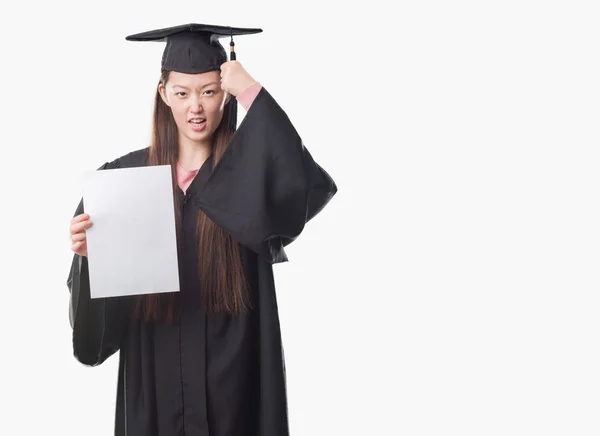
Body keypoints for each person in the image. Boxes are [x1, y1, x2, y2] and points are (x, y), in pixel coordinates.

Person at [66, 23, 337, 436]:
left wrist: (251, 91)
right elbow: (97, 336)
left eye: (210, 91)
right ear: (163, 94)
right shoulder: (124, 180)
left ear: (224, 94)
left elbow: (306, 184)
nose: (196, 107)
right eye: (182, 93)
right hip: (154, 389)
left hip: (234, 391)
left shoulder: (249, 176)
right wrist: (90, 261)